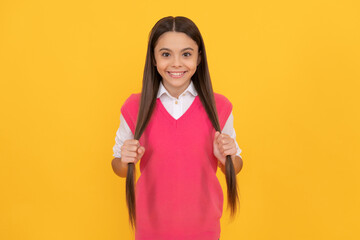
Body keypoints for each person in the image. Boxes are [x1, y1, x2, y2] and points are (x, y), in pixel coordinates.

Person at [111, 16, 243, 240]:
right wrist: (124, 160)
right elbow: (118, 168)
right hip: (150, 230)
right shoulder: (134, 107)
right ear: (153, 58)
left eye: (186, 54)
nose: (176, 63)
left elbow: (236, 164)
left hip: (204, 230)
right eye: (165, 54)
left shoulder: (219, 107)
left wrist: (226, 158)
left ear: (198, 58)